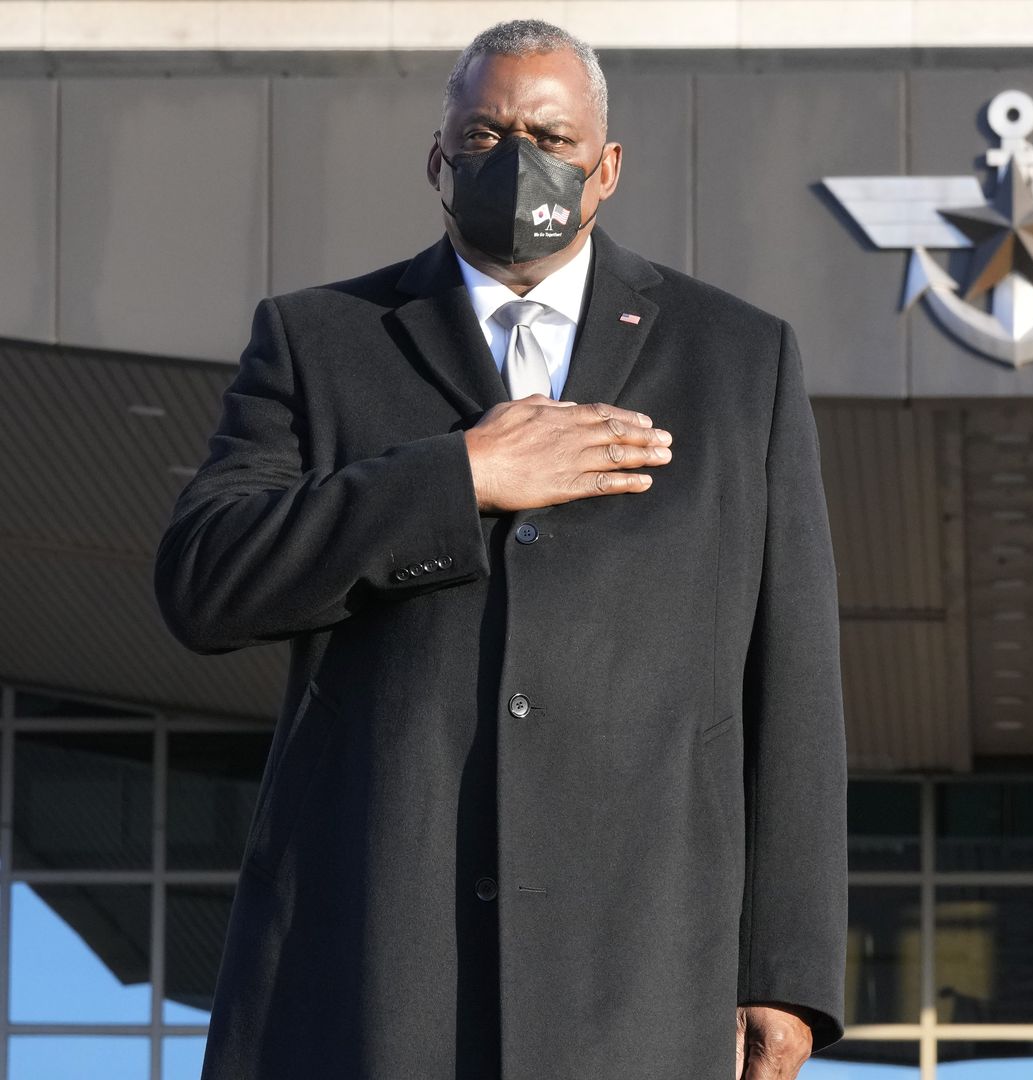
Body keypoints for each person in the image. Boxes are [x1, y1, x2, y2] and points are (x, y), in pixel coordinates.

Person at [153, 20, 843, 1080]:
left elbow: (790, 673)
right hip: (377, 964)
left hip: (641, 970)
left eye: (551, 137)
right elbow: (207, 580)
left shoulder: (739, 358)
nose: (518, 160)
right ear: (438, 160)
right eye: (484, 132)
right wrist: (457, 477)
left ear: (606, 169)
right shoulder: (319, 339)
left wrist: (787, 969)